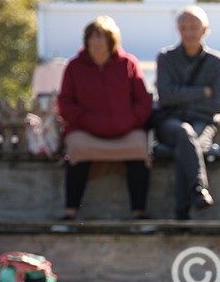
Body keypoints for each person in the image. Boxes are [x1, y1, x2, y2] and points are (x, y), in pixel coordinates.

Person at [57, 15, 153, 220]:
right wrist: (88, 121)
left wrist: (127, 122)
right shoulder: (74, 67)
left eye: (101, 37)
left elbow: (143, 102)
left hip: (126, 130)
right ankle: (70, 212)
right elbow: (65, 103)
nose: (96, 42)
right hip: (85, 130)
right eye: (92, 37)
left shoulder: (129, 64)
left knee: (139, 148)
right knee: (77, 149)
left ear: (111, 41)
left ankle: (139, 212)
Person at [154, 5, 220, 221]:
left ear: (205, 29)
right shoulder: (166, 58)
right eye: (183, 28)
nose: (188, 33)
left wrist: (183, 98)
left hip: (202, 123)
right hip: (171, 123)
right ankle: (198, 189)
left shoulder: (217, 63)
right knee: (184, 134)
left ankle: (182, 214)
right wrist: (201, 92)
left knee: (186, 144)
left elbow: (216, 105)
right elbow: (165, 96)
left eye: (193, 27)